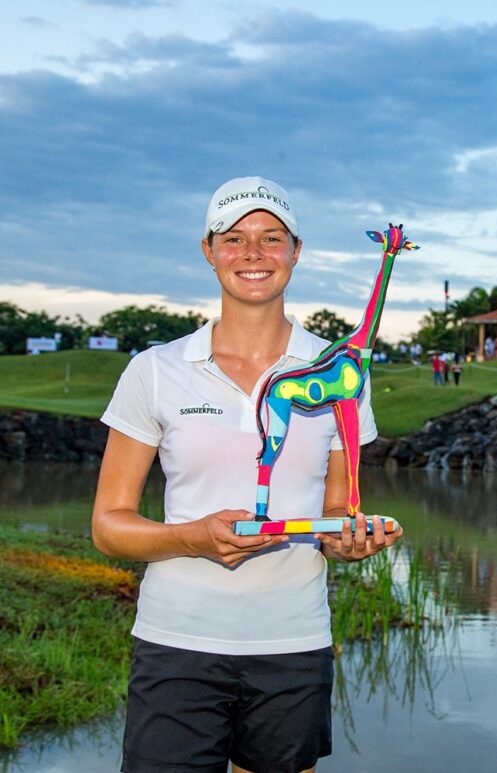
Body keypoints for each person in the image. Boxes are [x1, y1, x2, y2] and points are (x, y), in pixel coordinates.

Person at [91, 177, 400, 773]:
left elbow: (337, 511)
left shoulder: (341, 373)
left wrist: (346, 539)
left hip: (292, 646)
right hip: (175, 645)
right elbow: (108, 527)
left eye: (271, 238)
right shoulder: (154, 371)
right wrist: (191, 537)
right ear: (208, 251)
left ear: (295, 252)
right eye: (234, 239)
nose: (253, 254)